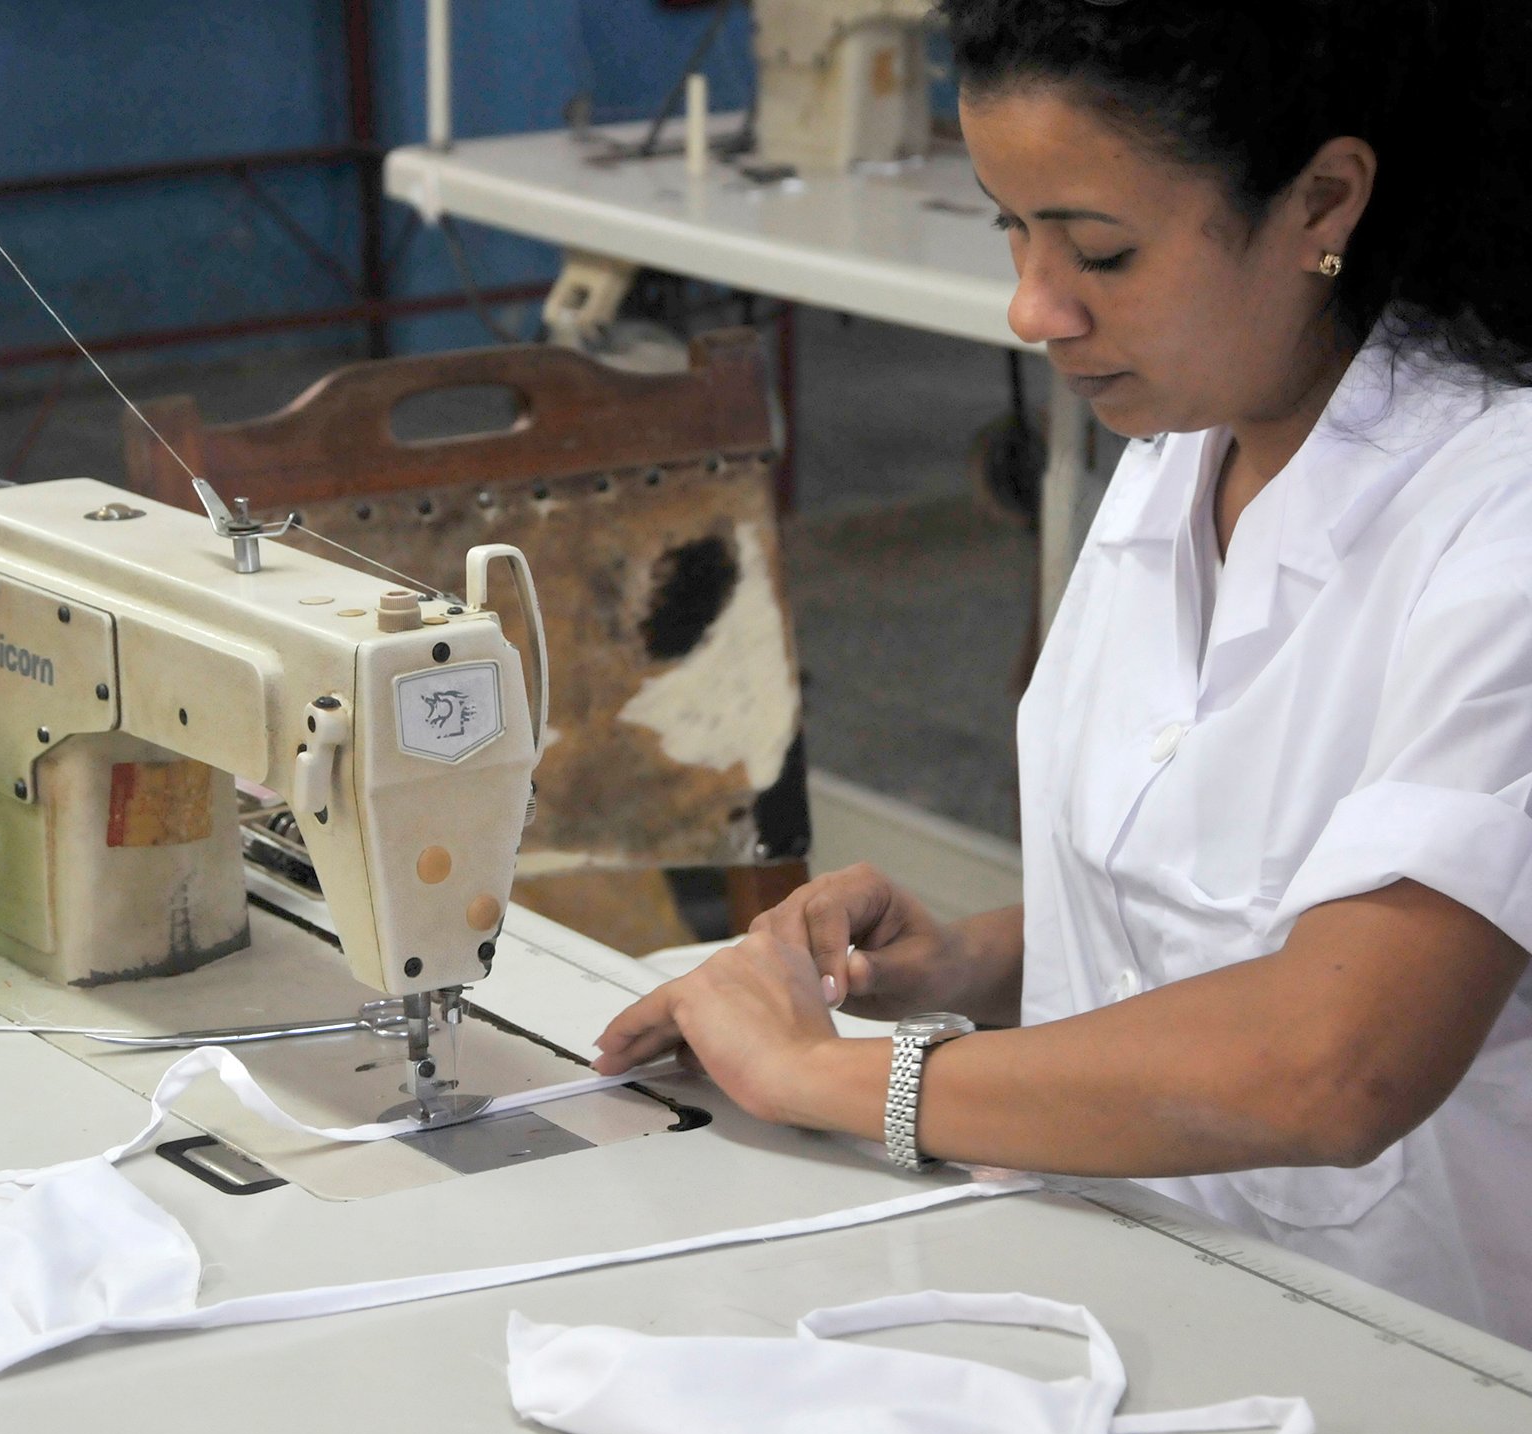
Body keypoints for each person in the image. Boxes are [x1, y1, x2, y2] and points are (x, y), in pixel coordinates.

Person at [593, 0, 1532, 1349]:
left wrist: (829, 1073)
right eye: (1010, 229)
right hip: (1130, 1287)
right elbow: (1245, 908)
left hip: (1413, 1359)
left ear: (1325, 199)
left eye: (1101, 247)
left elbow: (1340, 1054)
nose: (1034, 305)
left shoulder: (1499, 517)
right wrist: (975, 959)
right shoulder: (1187, 432)